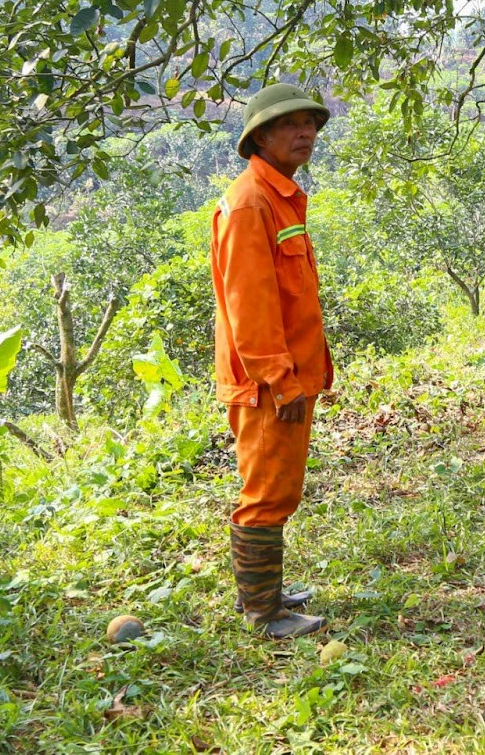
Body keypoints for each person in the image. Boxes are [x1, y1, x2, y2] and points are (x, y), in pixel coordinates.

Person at [211, 82, 333, 638]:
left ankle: (267, 593)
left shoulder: (279, 194)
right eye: (289, 124)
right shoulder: (249, 203)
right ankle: (264, 614)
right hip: (266, 384)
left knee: (279, 487)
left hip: (286, 376)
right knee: (266, 494)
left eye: (309, 122)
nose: (304, 132)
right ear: (259, 137)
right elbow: (249, 307)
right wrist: (280, 381)